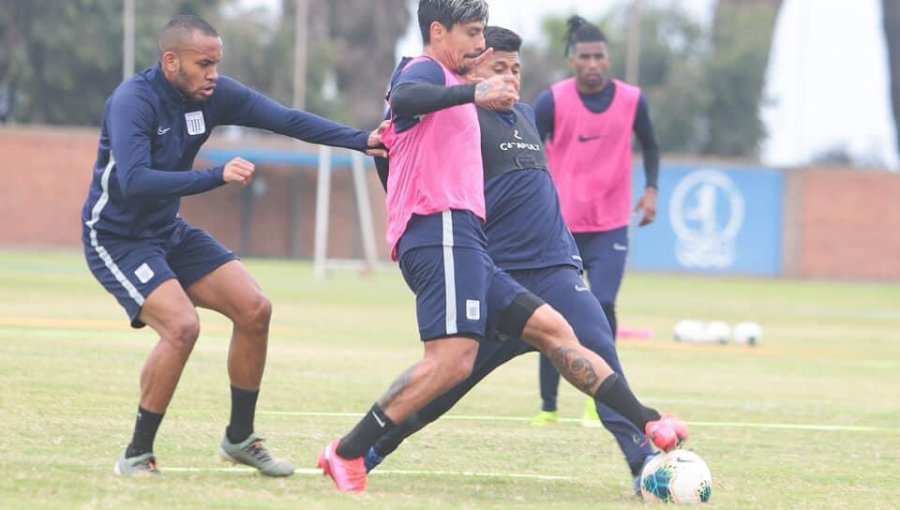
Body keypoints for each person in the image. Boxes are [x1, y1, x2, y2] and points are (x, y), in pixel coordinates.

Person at [317, 1, 685, 494]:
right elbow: (399, 132)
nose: (507, 78)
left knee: (589, 339)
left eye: (515, 69)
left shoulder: (524, 116)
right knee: (448, 377)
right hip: (486, 267)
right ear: (463, 55)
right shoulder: (448, 96)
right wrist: (411, 211)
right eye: (494, 64)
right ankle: (362, 452)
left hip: (550, 269)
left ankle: (646, 452)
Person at [82, 14, 385, 478]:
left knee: (254, 309)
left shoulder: (214, 95)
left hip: (168, 230)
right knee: (182, 327)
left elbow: (286, 119)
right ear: (170, 61)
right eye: (203, 64)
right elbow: (136, 181)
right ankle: (137, 454)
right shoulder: (133, 102)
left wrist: (361, 140)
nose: (213, 74)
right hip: (118, 238)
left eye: (217, 63)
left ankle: (239, 439)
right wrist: (214, 176)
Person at [531, 15, 662, 427]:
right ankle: (548, 408)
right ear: (573, 60)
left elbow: (652, 145)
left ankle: (599, 400)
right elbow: (526, 148)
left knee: (602, 306)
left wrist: (652, 189)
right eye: (584, 56)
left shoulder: (631, 100)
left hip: (610, 227)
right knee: (552, 315)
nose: (592, 63)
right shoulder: (552, 100)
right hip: (561, 228)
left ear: (608, 60)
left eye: (599, 56)